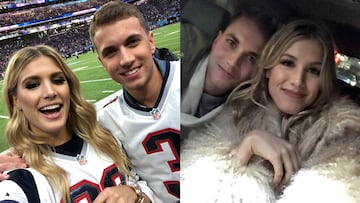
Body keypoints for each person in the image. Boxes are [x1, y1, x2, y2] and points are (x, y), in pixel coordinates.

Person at [181, 19, 360, 202]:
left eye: (313, 71)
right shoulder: (239, 111)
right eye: (288, 63)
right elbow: (192, 185)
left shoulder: (343, 135)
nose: (297, 81)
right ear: (268, 69)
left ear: (324, 80)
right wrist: (244, 150)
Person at [0, 45, 153, 203]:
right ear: (15, 100)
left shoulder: (105, 138)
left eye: (58, 80)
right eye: (32, 85)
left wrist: (135, 194)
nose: (50, 92)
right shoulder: (21, 177)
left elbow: (145, 187)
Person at [89, 1, 180, 203]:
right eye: (110, 52)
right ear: (101, 62)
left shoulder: (197, 77)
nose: (126, 59)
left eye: (132, 42)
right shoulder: (106, 119)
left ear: (151, 42)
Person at [181, 0, 288, 132]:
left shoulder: (248, 116)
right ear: (217, 39)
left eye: (251, 58)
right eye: (231, 42)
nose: (233, 62)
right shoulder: (174, 56)